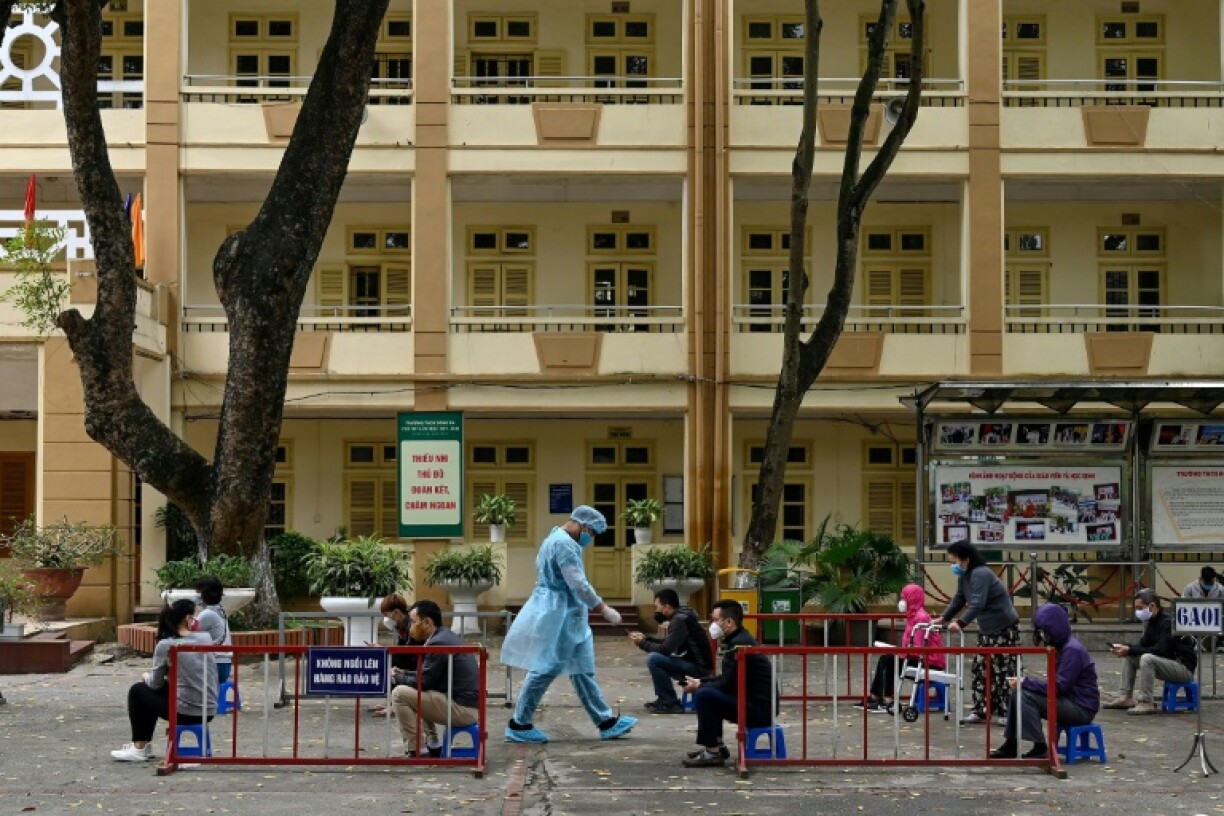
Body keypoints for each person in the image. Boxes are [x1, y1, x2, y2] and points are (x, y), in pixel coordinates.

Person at [500, 505, 637, 743]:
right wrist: (603, 608)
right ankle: (519, 723)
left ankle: (605, 721)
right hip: (559, 613)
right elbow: (578, 583)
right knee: (547, 665)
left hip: (567, 612)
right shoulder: (563, 544)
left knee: (582, 667)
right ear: (583, 525)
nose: (590, 538)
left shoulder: (557, 538)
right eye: (591, 533)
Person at [111, 599, 217, 762]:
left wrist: (146, 676)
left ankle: (140, 747)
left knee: (138, 691)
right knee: (151, 691)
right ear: (188, 619)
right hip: (208, 709)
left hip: (185, 711)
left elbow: (155, 683)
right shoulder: (205, 638)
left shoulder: (166, 644)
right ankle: (142, 747)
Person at [990, 604, 1099, 760]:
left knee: (1025, 696)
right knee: (1018, 694)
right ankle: (1011, 743)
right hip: (1071, 700)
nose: (1042, 636)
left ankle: (1039, 746)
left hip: (1081, 707)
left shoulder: (1071, 650)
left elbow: (1059, 686)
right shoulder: (1063, 647)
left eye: (1044, 632)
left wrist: (1026, 682)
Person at [679, 599, 775, 768]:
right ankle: (717, 746)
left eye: (716, 620)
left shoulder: (739, 644)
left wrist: (700, 686)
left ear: (729, 622)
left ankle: (712, 753)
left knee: (705, 696)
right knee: (707, 693)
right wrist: (701, 681)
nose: (712, 624)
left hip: (759, 709)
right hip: (753, 702)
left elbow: (727, 684)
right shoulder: (737, 640)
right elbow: (728, 677)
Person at [939, 541, 1020, 725]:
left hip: (1003, 627)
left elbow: (977, 603)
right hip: (986, 628)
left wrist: (960, 623)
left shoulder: (980, 574)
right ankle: (981, 710)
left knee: (1003, 669)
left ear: (966, 559)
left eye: (954, 561)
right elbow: (959, 599)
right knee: (981, 669)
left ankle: (1008, 713)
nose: (953, 565)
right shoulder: (965, 576)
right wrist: (943, 618)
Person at [391, 600, 480, 757]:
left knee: (400, 694)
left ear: (426, 622)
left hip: (462, 710)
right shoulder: (443, 635)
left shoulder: (438, 642)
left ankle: (415, 749)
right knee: (415, 691)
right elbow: (427, 675)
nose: (410, 626)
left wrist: (398, 678)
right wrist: (404, 673)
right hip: (466, 704)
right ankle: (432, 743)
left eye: (413, 621)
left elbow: (423, 681)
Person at [1102, 588, 1197, 715]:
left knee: (1147, 658)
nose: (1138, 612)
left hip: (1183, 669)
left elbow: (1161, 651)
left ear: (1152, 606)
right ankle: (1126, 697)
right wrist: (1125, 648)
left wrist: (1130, 649)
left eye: (1140, 608)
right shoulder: (1151, 622)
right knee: (1130, 656)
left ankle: (1146, 701)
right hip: (1167, 663)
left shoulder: (1168, 623)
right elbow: (1142, 645)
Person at [856, 583, 946, 713]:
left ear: (912, 598)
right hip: (920, 659)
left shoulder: (921, 617)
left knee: (888, 660)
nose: (902, 602)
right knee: (887, 658)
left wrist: (900, 652)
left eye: (904, 598)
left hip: (929, 662)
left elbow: (919, 648)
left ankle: (886, 700)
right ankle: (876, 697)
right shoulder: (913, 616)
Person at [628, 587, 713, 713]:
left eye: (657, 607)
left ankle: (669, 702)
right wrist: (647, 639)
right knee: (655, 657)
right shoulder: (682, 616)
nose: (656, 611)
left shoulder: (679, 620)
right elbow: (669, 642)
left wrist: (642, 643)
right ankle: (664, 698)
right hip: (697, 664)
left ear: (666, 607)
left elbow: (665, 649)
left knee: (654, 659)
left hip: (699, 669)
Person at [193, 577, 232, 684]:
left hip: (215, 662)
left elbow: (189, 631)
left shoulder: (207, 614)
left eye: (198, 592)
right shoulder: (220, 610)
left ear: (204, 594)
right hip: (224, 662)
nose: (196, 595)